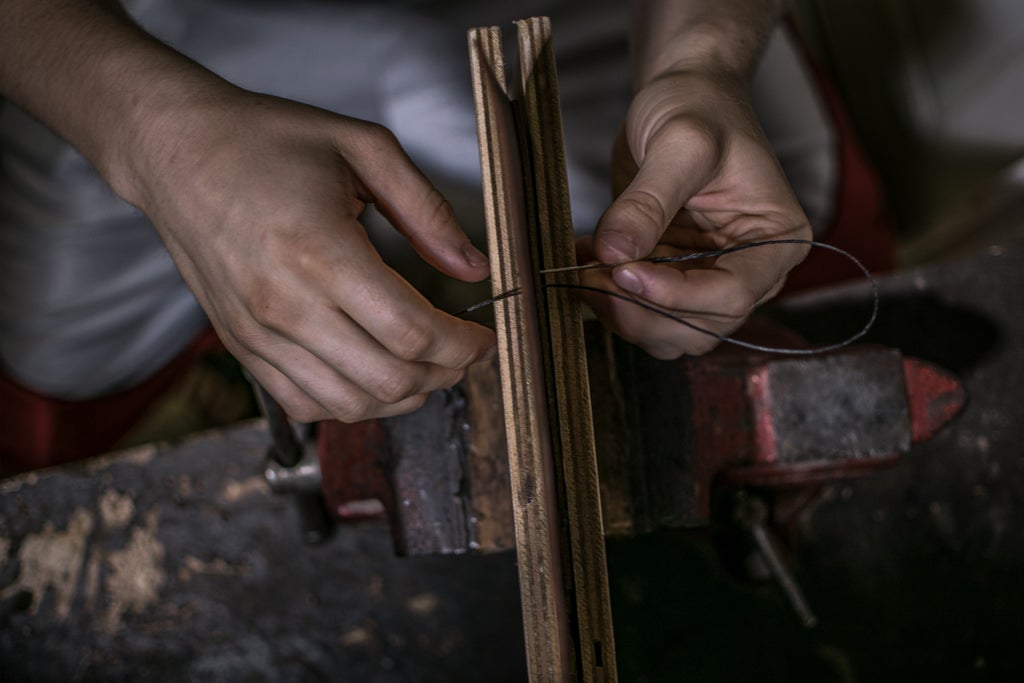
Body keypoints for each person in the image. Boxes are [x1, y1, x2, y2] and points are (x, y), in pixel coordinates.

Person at [0, 0, 824, 448]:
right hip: (136, 40)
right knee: (63, 347)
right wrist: (156, 141)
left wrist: (700, 57)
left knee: (752, 212)